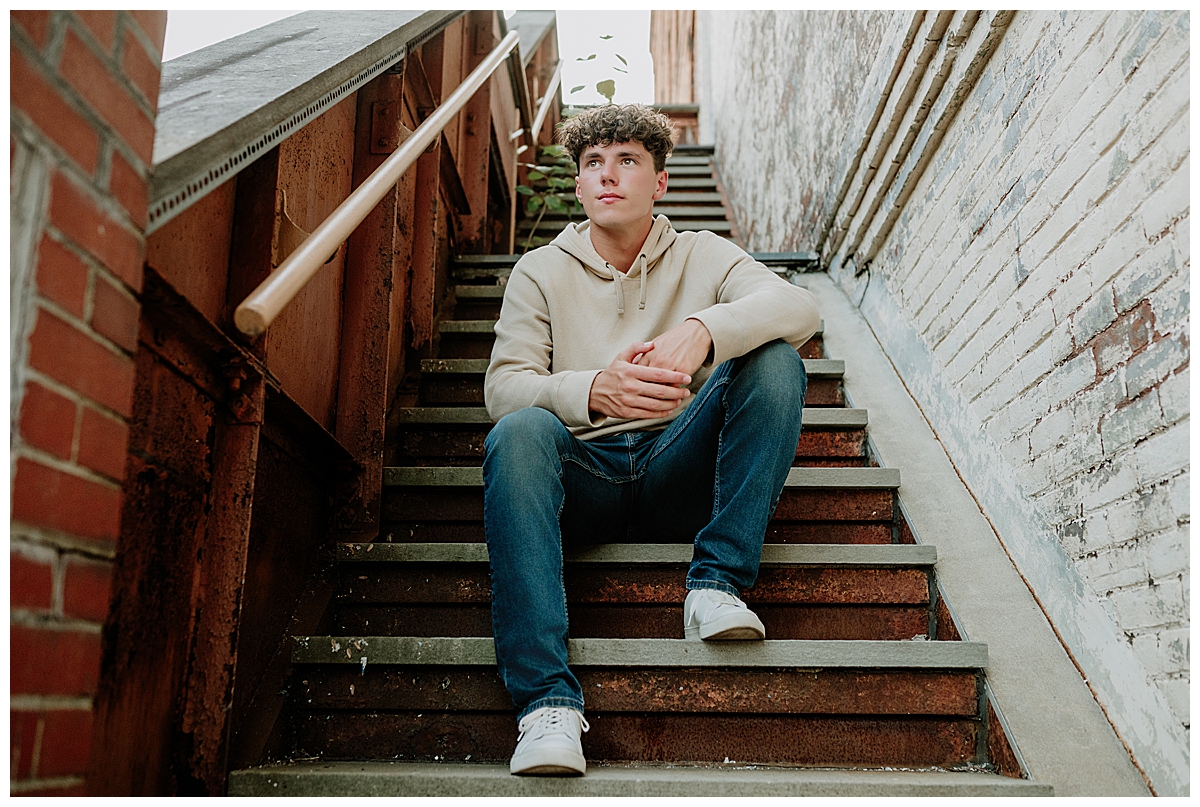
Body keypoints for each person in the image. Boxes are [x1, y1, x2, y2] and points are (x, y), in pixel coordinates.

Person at [482, 104, 821, 776]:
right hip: (582, 474)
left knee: (776, 359)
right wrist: (590, 390)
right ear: (579, 185)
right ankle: (546, 704)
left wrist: (704, 329)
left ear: (661, 180)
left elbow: (802, 309)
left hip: (679, 466)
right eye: (593, 163)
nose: (609, 174)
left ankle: (716, 583)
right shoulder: (539, 272)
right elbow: (504, 390)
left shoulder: (702, 251)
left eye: (628, 159)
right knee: (519, 431)